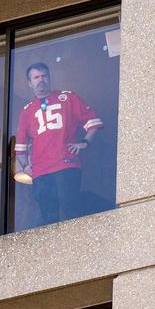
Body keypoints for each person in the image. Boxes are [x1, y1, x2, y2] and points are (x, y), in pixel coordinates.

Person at [14, 62, 103, 225]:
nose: (41, 80)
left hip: (66, 163)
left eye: (44, 76)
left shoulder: (68, 97)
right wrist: (26, 167)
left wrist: (85, 142)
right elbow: (20, 147)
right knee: (47, 215)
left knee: (71, 208)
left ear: (49, 78)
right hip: (41, 170)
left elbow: (93, 121)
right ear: (30, 83)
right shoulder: (27, 110)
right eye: (36, 77)